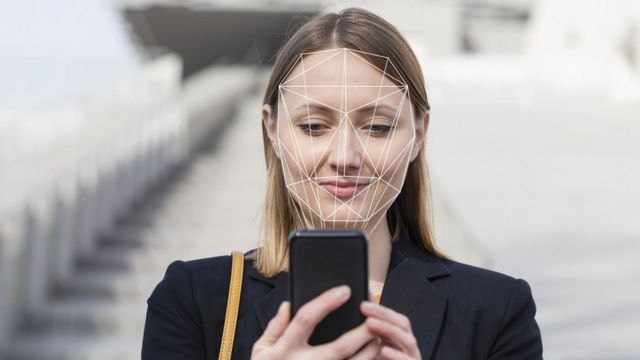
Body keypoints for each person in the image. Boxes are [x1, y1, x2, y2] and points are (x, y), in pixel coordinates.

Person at [142, 7, 543, 360]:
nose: (345, 157)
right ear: (272, 130)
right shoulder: (193, 300)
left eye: (379, 127)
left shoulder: (496, 312)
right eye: (314, 126)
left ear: (420, 133)